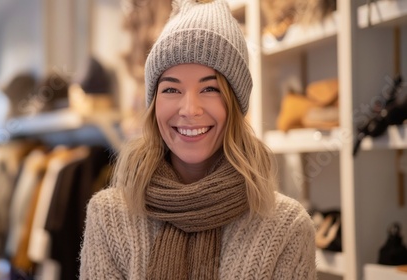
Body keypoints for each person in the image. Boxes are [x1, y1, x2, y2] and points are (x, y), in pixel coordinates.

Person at [80, 0, 317, 279]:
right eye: (171, 89)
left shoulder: (286, 227)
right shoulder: (109, 217)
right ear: (154, 104)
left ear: (234, 103)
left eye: (209, 88)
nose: (190, 109)